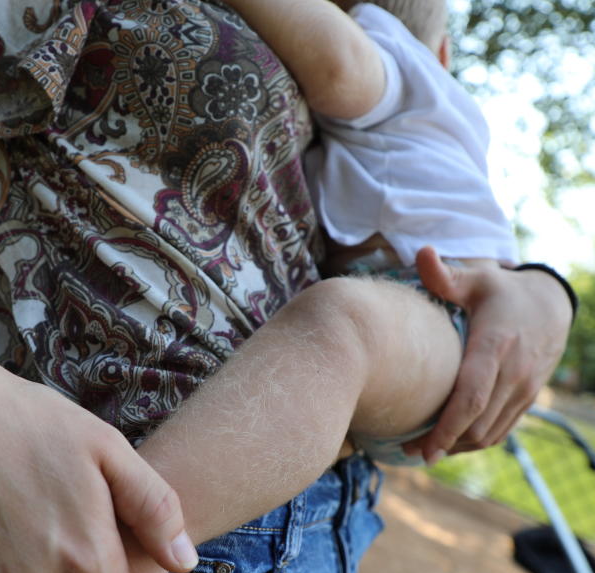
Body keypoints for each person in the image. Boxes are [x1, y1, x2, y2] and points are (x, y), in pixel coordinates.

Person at [0, 0, 574, 573]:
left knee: (343, 328)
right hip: (123, 513)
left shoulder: (391, 82)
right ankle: (128, 548)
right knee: (341, 328)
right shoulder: (379, 65)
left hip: (314, 501)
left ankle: (128, 549)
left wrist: (544, 293)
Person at [221, 0, 533, 465]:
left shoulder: (402, 65)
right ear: (446, 52)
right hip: (423, 363)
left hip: (428, 313)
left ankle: (145, 525)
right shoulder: (450, 125)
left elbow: (339, 65)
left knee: (341, 322)